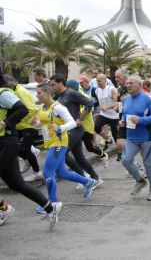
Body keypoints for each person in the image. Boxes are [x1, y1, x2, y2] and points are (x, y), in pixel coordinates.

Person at [0, 73, 61, 230]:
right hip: (3, 143)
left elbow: (22, 109)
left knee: (17, 183)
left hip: (6, 142)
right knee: (17, 184)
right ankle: (50, 208)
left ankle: (3, 209)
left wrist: (5, 123)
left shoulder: (3, 93)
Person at [35, 83, 96, 213]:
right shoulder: (42, 107)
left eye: (39, 92)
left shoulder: (58, 107)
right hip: (50, 142)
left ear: (47, 93)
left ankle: (53, 202)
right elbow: (42, 122)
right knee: (61, 173)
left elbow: (73, 123)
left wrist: (60, 128)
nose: (37, 95)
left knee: (47, 172)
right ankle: (87, 181)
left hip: (59, 142)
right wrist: (35, 123)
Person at [50, 75, 102, 186]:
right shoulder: (59, 97)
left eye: (53, 84)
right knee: (79, 157)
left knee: (61, 154)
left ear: (61, 83)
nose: (52, 87)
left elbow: (90, 102)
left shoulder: (71, 93)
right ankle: (94, 178)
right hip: (68, 130)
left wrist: (80, 118)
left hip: (76, 129)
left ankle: (84, 178)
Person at [120, 75, 151, 201]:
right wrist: (122, 121)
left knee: (147, 164)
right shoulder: (126, 99)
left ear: (139, 85)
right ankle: (140, 180)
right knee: (125, 160)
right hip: (131, 137)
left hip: (146, 137)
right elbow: (125, 114)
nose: (128, 85)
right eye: (127, 83)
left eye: (131, 83)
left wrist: (141, 120)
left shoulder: (148, 99)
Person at [2, 75, 42, 182]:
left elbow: (29, 109)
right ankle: (28, 158)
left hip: (28, 125)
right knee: (12, 147)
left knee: (24, 149)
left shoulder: (21, 92)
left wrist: (14, 120)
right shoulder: (13, 91)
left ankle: (37, 172)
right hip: (19, 125)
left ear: (11, 84)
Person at [66, 80, 109, 169]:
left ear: (73, 88)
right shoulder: (69, 97)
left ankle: (103, 155)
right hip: (75, 127)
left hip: (86, 127)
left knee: (90, 147)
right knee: (73, 149)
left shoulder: (84, 96)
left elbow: (90, 109)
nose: (66, 90)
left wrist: (79, 115)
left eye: (68, 88)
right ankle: (78, 168)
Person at [93, 74, 119, 148]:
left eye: (99, 81)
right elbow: (99, 102)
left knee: (115, 135)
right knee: (96, 127)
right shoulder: (97, 91)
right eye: (96, 81)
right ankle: (107, 138)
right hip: (104, 114)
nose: (97, 83)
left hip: (114, 116)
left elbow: (117, 103)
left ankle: (120, 153)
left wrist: (107, 107)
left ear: (105, 80)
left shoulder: (111, 89)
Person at [115, 69, 130, 161]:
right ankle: (133, 164)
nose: (116, 79)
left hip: (133, 120)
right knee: (120, 144)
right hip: (122, 121)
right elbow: (119, 104)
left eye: (118, 77)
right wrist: (117, 108)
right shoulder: (119, 90)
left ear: (125, 77)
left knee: (142, 145)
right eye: (115, 77)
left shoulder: (132, 88)